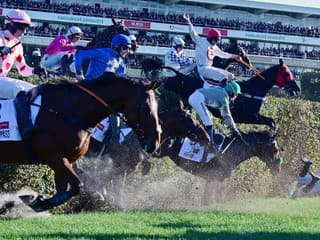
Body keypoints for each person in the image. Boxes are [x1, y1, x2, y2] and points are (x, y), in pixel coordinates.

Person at [75, 34, 132, 145]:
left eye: (129, 48)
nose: (128, 51)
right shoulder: (102, 53)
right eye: (125, 48)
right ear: (116, 47)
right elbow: (80, 54)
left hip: (105, 96)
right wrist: (79, 72)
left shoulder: (121, 63)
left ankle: (114, 140)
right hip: (90, 89)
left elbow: (122, 82)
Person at [0, 9, 45, 139]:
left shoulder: (17, 46)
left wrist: (35, 70)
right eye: (22, 27)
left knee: (34, 90)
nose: (25, 32)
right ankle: (26, 128)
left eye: (26, 28)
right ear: (11, 24)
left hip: (2, 80)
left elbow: (23, 69)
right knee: (19, 89)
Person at [183, 13, 241, 88]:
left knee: (230, 76)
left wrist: (234, 56)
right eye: (215, 40)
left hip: (209, 68)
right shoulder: (201, 42)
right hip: (202, 69)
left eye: (218, 40)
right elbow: (192, 33)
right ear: (210, 38)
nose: (216, 42)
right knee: (223, 76)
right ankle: (219, 92)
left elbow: (223, 54)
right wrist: (189, 22)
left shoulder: (215, 47)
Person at [188, 81, 247, 153]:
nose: (235, 97)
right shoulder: (224, 97)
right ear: (232, 92)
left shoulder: (220, 89)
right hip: (197, 99)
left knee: (209, 118)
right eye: (235, 95)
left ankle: (205, 139)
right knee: (209, 122)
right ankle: (211, 146)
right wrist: (234, 130)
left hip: (196, 97)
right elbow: (226, 115)